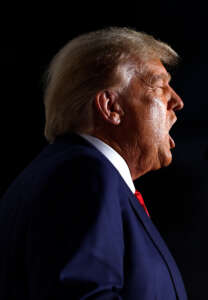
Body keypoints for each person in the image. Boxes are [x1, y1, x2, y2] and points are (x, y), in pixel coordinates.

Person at [0, 27, 187, 300]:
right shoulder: (82, 175)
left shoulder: (70, 173)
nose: (177, 102)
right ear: (111, 107)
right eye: (159, 86)